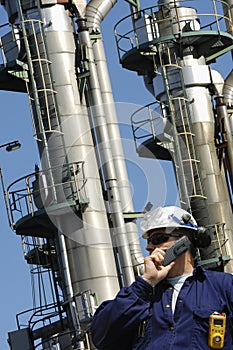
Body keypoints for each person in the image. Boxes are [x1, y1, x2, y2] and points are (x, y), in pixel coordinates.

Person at [90, 206, 233, 349]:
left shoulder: (222, 286)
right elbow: (101, 337)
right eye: (148, 241)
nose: (149, 247)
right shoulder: (140, 296)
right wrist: (146, 282)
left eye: (158, 239)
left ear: (183, 242)